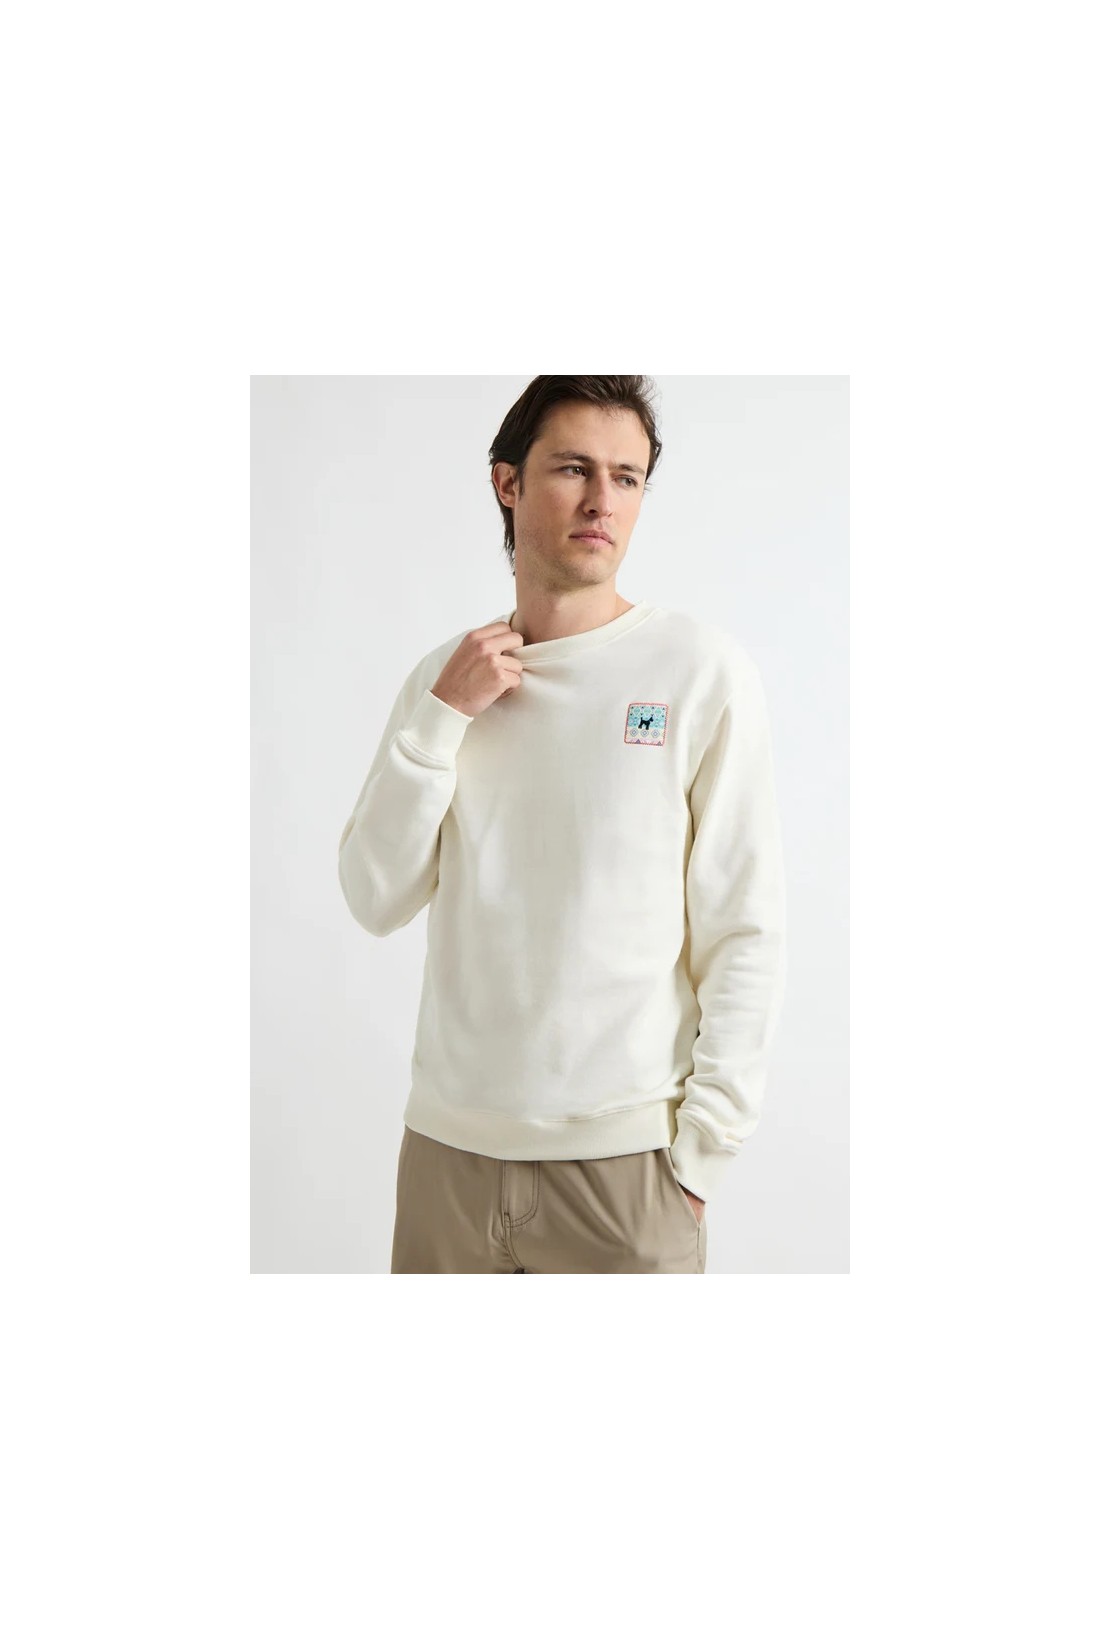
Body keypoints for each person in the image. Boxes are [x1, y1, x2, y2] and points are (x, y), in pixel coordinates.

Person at [337, 375, 787, 1273]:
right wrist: (442, 719)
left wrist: (700, 1158)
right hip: (448, 1159)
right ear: (507, 482)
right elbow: (374, 897)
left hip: (626, 1172)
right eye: (574, 468)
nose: (601, 502)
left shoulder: (699, 672)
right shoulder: (446, 679)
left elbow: (745, 929)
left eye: (627, 477)